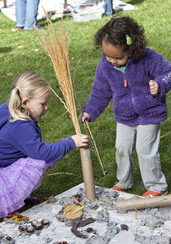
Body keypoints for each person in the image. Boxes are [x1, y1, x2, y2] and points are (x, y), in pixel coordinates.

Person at [80, 16, 171, 197]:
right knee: (122, 148)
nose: (112, 61)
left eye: (118, 57)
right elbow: (100, 91)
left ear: (132, 47)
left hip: (149, 112)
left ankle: (157, 185)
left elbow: (168, 73)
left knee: (145, 150)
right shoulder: (105, 66)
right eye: (108, 56)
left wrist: (160, 84)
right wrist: (90, 110)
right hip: (124, 115)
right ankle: (124, 181)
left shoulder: (149, 58)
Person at [0, 71, 89, 218]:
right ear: (25, 102)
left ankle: (19, 197)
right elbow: (41, 153)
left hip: (7, 162)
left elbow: (33, 148)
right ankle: (8, 205)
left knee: (37, 162)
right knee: (34, 165)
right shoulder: (20, 124)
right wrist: (70, 142)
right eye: (43, 104)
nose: (46, 108)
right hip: (3, 170)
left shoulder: (12, 110)